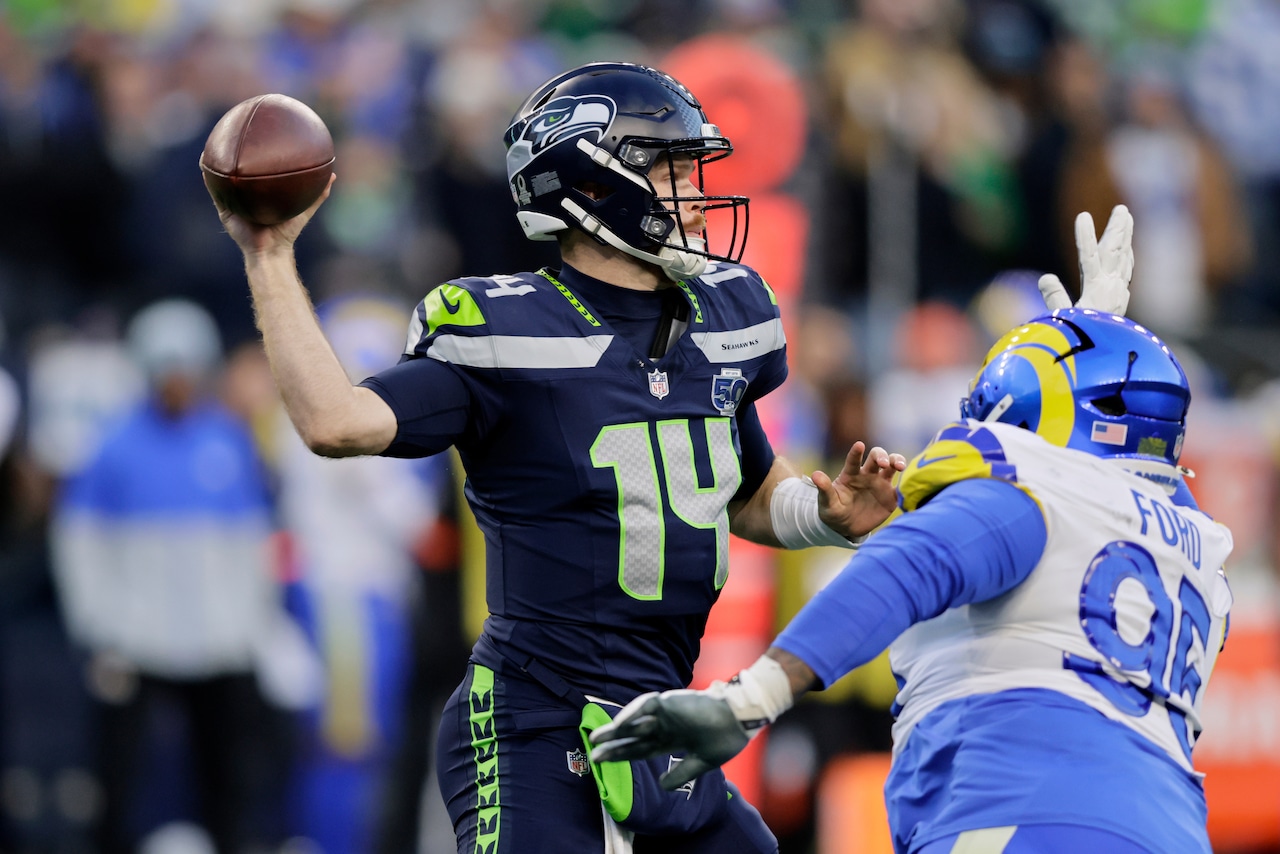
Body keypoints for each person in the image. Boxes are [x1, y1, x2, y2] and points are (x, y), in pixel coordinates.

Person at [208, 59, 1132, 852]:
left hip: (665, 720)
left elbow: (743, 488)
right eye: (672, 166)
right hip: (535, 718)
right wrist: (268, 255)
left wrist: (825, 513)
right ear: (593, 181)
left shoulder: (723, 315)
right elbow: (338, 422)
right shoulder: (499, 328)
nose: (696, 189)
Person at [590, 308, 1234, 854]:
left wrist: (746, 700)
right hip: (1173, 828)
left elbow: (902, 573)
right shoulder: (1199, 546)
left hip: (1020, 811)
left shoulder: (1033, 491)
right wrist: (1096, 332)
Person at [50, 299, 292, 853]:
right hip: (136, 641)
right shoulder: (111, 446)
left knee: (226, 777)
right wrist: (100, 630)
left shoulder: (229, 440)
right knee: (118, 775)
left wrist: (252, 623)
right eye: (167, 371)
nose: (177, 383)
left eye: (187, 371)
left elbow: (254, 543)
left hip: (219, 641)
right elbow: (80, 548)